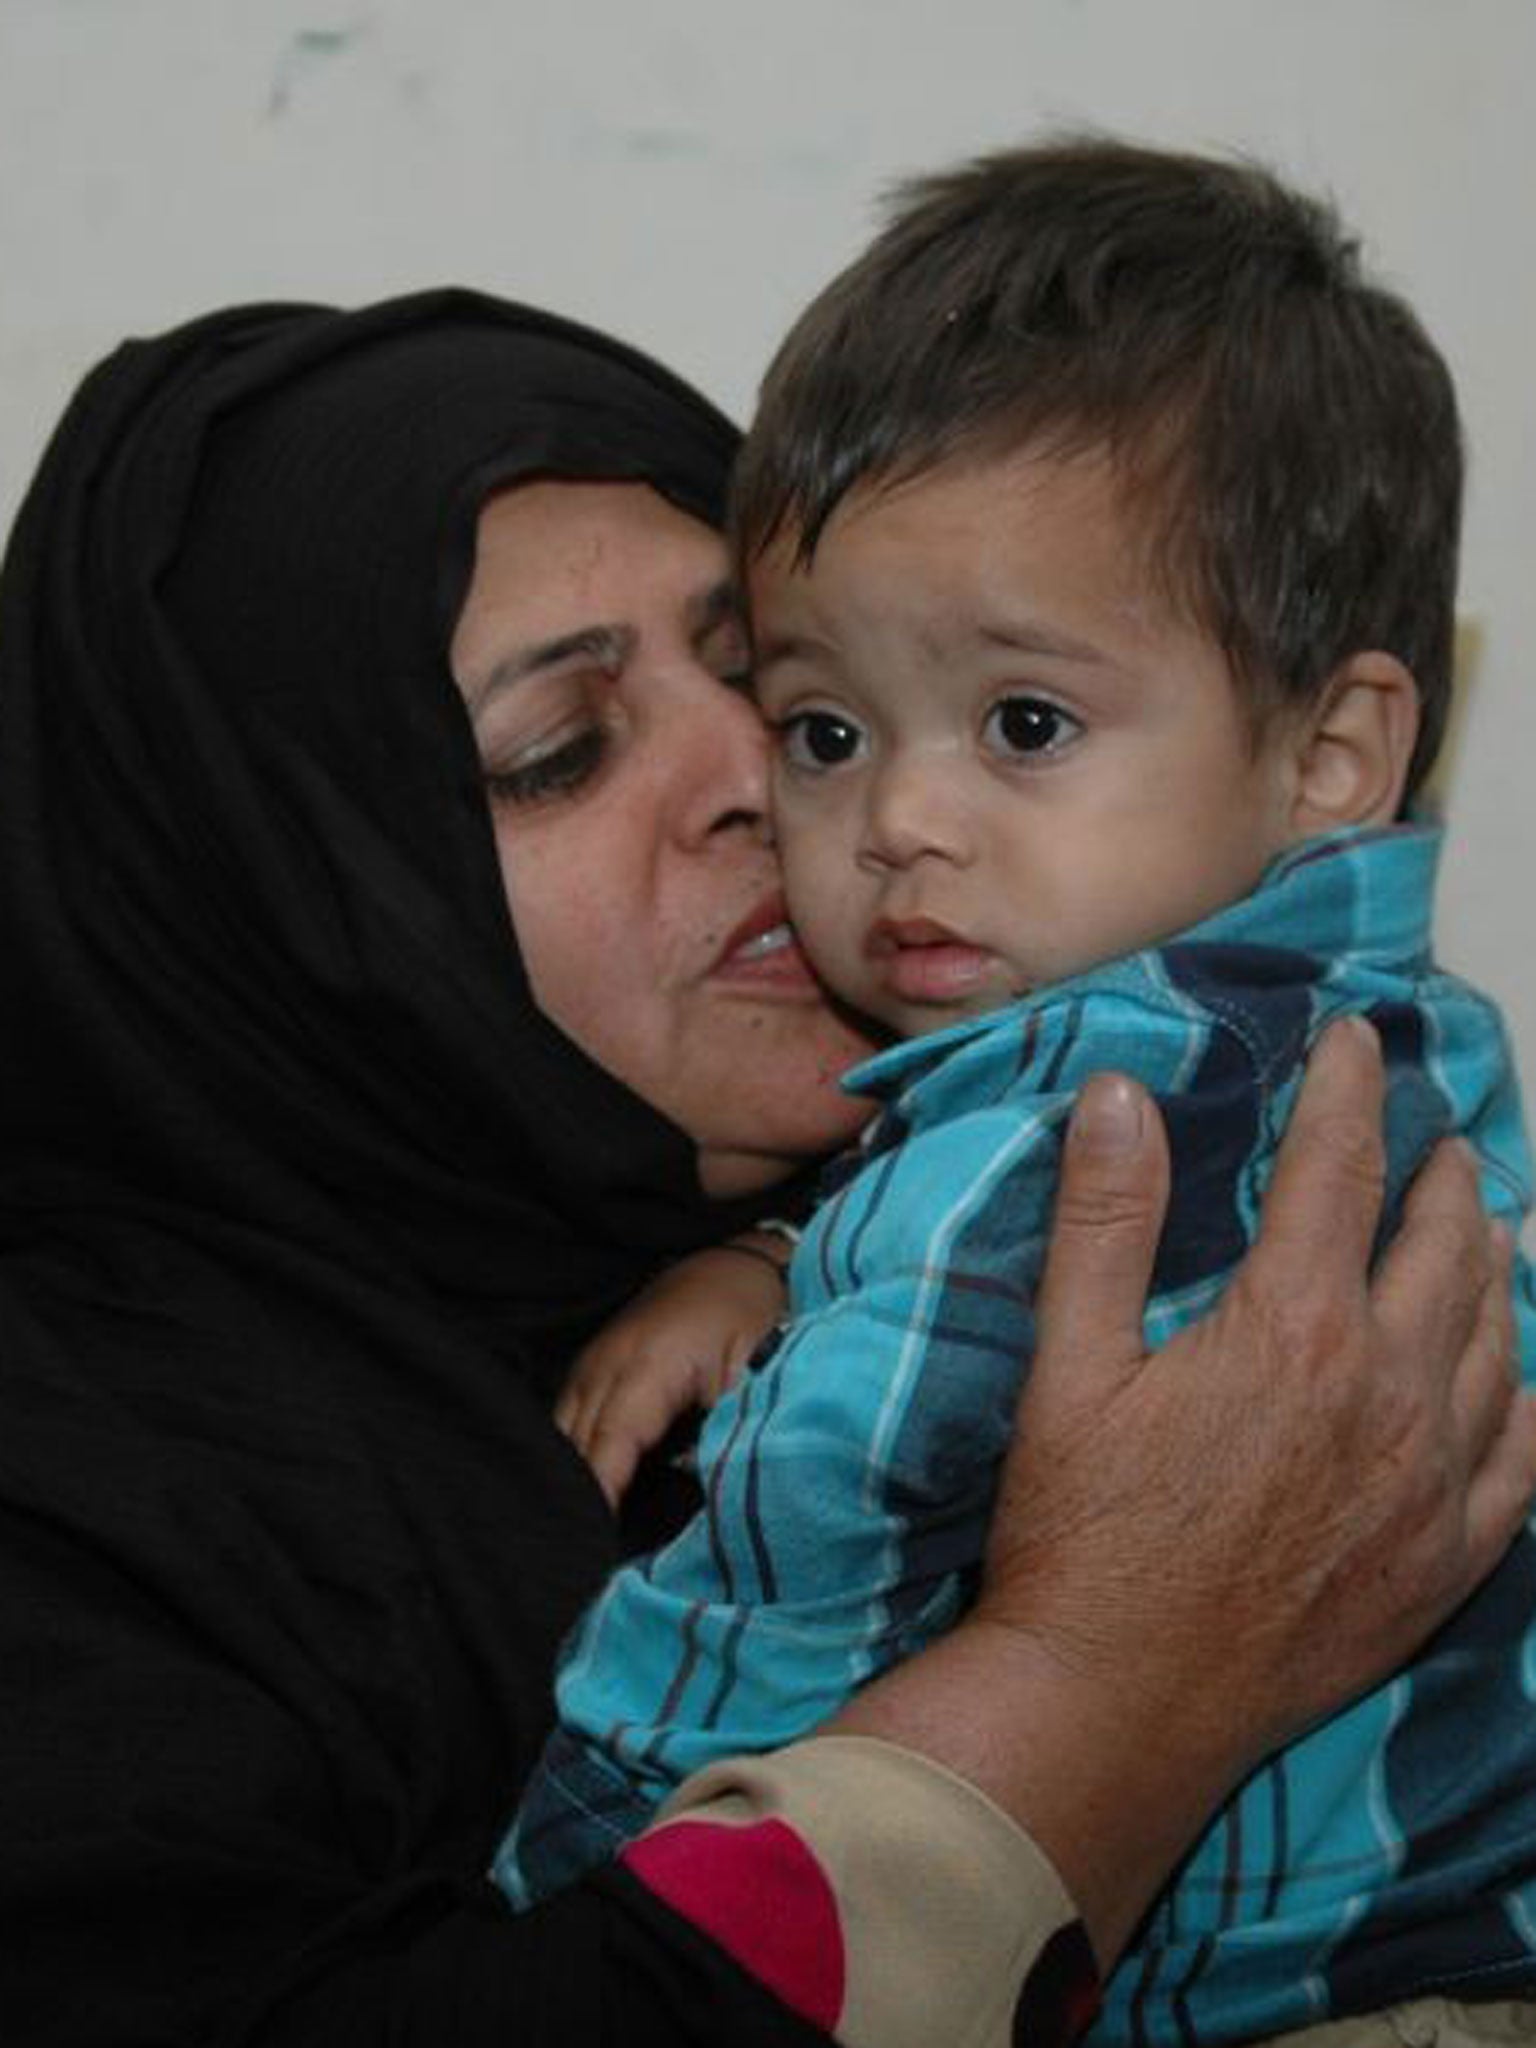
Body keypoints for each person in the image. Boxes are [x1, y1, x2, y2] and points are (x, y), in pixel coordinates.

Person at [0, 285, 1530, 2048]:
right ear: (279, 913)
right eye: (557, 752)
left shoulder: (1161, 1147)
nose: (797, 793)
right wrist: (1106, 1692)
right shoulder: (82, 1515)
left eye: (777, 690)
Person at [499, 144, 1536, 2042]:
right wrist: (771, 1259)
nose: (895, 819)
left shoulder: (1103, 1097)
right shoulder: (1377, 1033)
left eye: (1027, 725)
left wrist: (578, 1860)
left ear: (1332, 752)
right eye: (826, 730)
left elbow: (811, 1550)